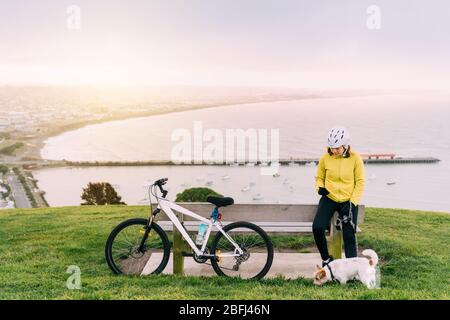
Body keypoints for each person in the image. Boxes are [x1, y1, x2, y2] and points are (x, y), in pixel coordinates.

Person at [313, 126, 365, 267]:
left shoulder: (355, 159)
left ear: (345, 145)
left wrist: (353, 202)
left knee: (349, 235)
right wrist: (320, 188)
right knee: (317, 228)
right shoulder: (325, 158)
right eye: (331, 147)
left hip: (348, 201)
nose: (334, 150)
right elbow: (319, 178)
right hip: (329, 198)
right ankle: (326, 259)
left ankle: (352, 268)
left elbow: (360, 182)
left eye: (337, 147)